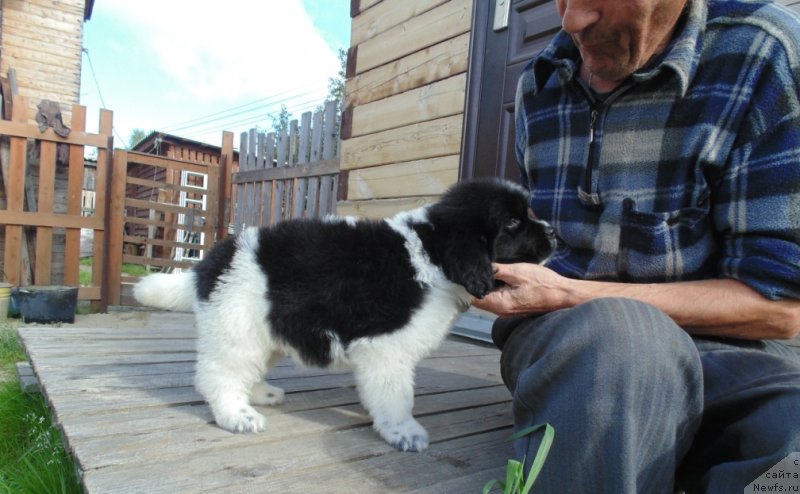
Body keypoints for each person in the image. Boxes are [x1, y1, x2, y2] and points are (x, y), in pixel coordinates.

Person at [472, 0, 800, 492]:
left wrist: (569, 293)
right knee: (623, 342)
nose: (571, 20)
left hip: (730, 350)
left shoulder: (761, 52)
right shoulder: (538, 85)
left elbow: (779, 309)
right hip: (580, 342)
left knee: (790, 451)